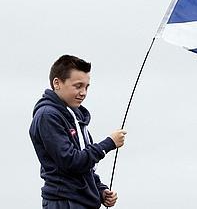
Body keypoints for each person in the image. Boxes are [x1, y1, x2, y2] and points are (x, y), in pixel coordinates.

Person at [29, 55, 127, 209]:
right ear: (57, 83)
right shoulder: (48, 115)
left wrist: (100, 190)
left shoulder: (74, 116)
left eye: (87, 87)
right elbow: (70, 161)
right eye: (78, 86)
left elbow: (84, 164)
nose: (83, 92)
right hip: (64, 202)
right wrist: (108, 144)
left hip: (81, 202)